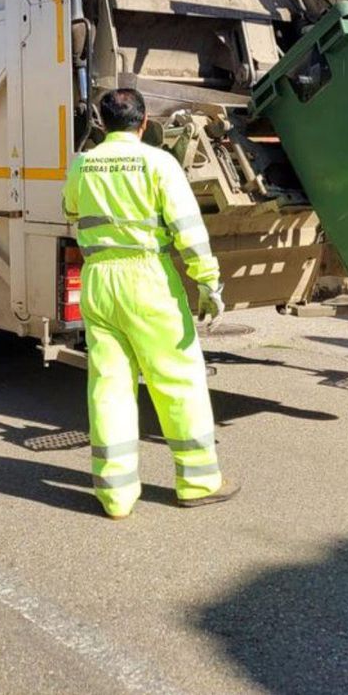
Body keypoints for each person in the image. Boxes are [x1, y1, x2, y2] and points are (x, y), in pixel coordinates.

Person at [62, 88, 241, 519]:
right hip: (148, 279)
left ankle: (115, 494)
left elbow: (71, 211)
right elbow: (188, 229)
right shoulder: (159, 163)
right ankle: (197, 481)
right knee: (178, 380)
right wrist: (208, 283)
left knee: (109, 385)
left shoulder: (82, 164)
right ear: (144, 124)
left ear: (102, 125)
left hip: (99, 279)